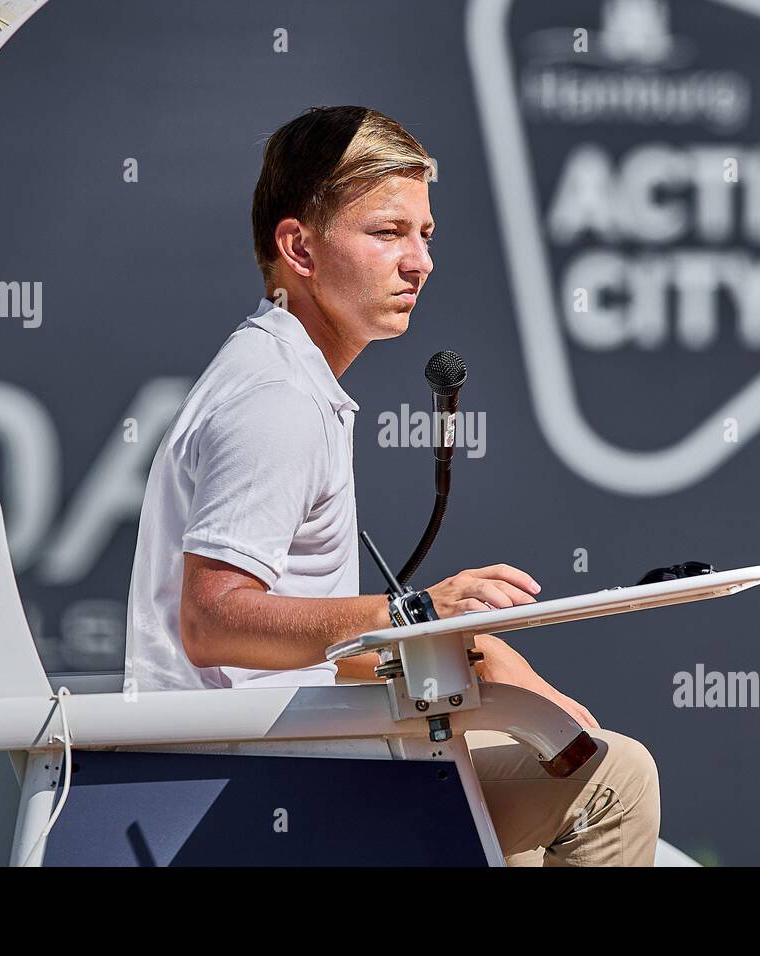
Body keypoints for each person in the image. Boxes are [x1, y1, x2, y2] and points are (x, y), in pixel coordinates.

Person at [124, 105, 659, 866]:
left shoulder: (283, 375)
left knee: (529, 777)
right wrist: (419, 613)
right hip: (246, 792)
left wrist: (475, 651)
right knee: (614, 779)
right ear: (299, 248)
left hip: (259, 766)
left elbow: (291, 650)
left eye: (425, 234)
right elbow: (213, 623)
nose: (420, 262)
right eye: (388, 232)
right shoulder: (277, 400)